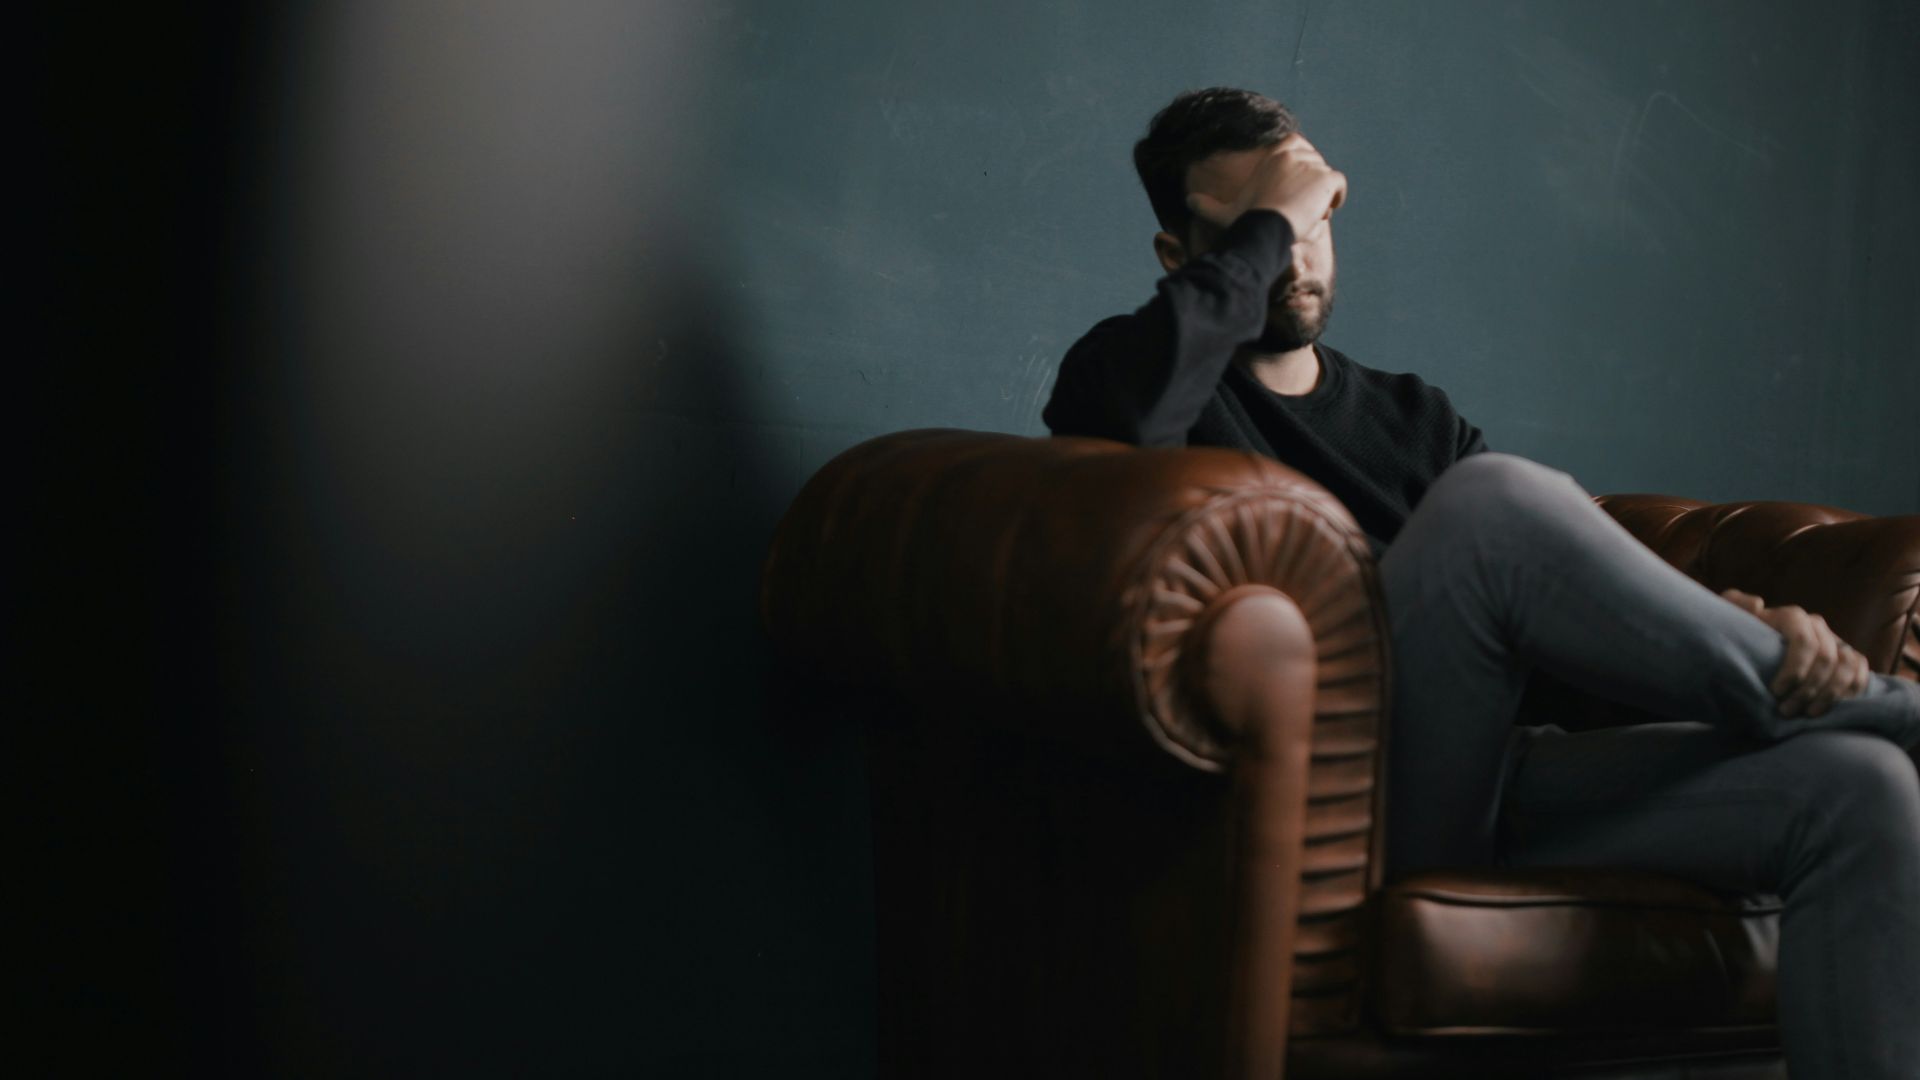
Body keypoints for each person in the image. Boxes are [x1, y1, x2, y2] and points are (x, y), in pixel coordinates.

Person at [1042, 86, 1920, 1080]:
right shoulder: (1130, 374)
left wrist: (1720, 625)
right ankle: (1883, 707)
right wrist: (1274, 219)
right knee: (1492, 504)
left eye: (1314, 214)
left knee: (1861, 788)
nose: (1295, 252)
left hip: (1496, 782)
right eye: (1263, 224)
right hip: (1345, 808)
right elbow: (1126, 418)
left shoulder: (1414, 417)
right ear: (1182, 256)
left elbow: (1559, 616)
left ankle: (1839, 710)